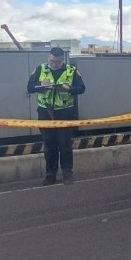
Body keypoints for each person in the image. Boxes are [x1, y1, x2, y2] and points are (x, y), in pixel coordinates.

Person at [27, 47, 87, 185]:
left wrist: (68, 89)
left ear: (62, 60)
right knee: (49, 145)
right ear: (48, 58)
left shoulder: (71, 70)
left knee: (65, 145)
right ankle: (50, 175)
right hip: (45, 112)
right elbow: (30, 87)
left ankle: (67, 174)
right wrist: (40, 85)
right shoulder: (40, 69)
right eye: (52, 61)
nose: (54, 64)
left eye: (57, 62)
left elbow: (81, 88)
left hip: (64, 113)